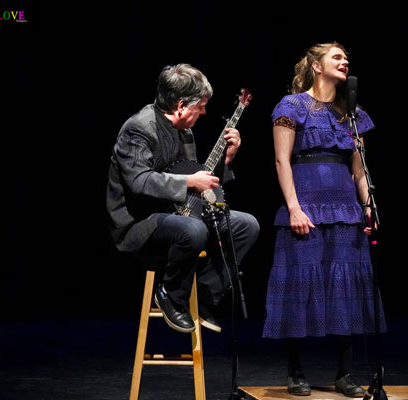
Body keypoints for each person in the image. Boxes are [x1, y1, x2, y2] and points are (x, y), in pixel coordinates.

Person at [262, 43, 386, 397]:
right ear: (316, 66)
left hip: (345, 209)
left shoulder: (353, 114)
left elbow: (359, 172)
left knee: (346, 288)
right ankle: (295, 370)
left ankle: (344, 374)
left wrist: (368, 206)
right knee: (298, 284)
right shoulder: (292, 106)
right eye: (337, 57)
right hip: (305, 206)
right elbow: (281, 160)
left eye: (347, 58)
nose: (345, 61)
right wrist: (294, 208)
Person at [107, 63, 259, 334]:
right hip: (140, 224)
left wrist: (227, 160)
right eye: (200, 106)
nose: (203, 111)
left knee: (246, 225)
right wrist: (191, 181)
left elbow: (191, 179)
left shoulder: (184, 132)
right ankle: (171, 295)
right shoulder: (138, 128)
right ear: (180, 105)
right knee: (193, 229)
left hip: (178, 214)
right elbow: (139, 182)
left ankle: (203, 297)